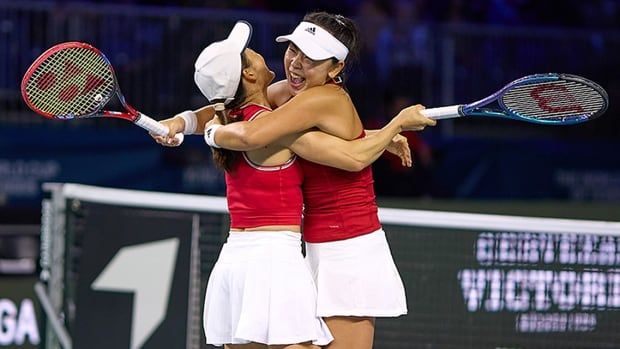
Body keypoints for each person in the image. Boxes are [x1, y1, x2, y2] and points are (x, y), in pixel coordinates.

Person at [153, 19, 434, 349]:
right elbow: (230, 104)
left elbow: (350, 156)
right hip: (309, 245)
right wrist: (181, 122)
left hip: (347, 246)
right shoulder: (289, 92)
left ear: (336, 67)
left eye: (311, 59)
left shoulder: (322, 98)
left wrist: (395, 123)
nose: (296, 64)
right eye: (292, 50)